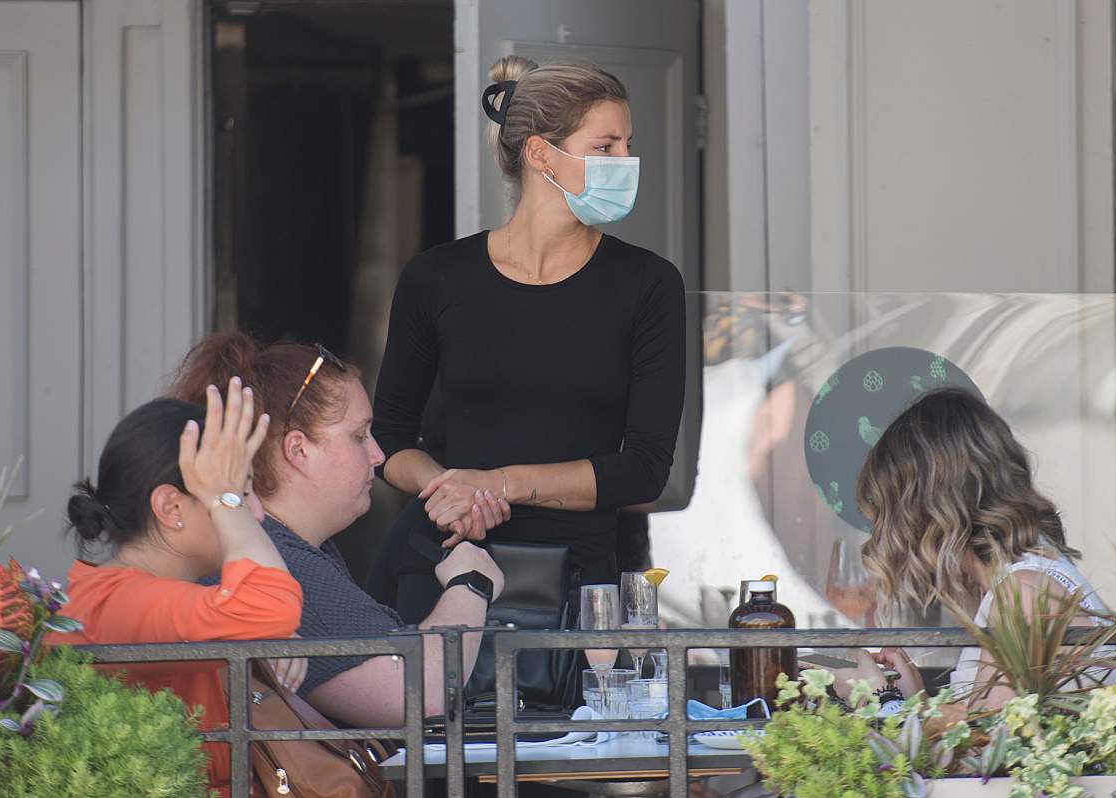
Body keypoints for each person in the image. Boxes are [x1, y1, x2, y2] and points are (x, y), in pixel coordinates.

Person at [368, 55, 686, 619]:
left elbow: (644, 468)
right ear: (541, 154)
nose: (627, 161)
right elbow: (389, 439)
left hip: (577, 588)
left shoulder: (648, 284)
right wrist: (451, 494)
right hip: (443, 565)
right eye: (606, 146)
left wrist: (495, 486)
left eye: (628, 145)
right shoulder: (436, 277)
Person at [167, 332, 506, 727]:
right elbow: (417, 692)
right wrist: (471, 582)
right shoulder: (283, 561)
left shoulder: (287, 546)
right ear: (298, 450)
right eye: (359, 436)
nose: (378, 456)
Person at [48, 380, 305, 797]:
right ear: (171, 507)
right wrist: (262, 623)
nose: (255, 514)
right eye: (240, 493)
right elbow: (270, 606)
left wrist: (257, 645)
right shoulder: (113, 599)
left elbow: (265, 613)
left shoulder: (128, 594)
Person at [827, 388, 1113, 709]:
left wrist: (881, 698)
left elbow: (987, 751)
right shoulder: (1023, 582)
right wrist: (914, 702)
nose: (888, 535)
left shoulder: (1023, 594)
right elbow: (985, 736)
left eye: (890, 513)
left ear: (927, 511)